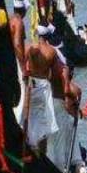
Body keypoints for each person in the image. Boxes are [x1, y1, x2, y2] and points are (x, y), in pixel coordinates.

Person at [24, 24, 62, 153]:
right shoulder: (52, 51)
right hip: (44, 85)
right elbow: (56, 73)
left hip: (31, 84)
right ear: (47, 36)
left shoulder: (31, 47)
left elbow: (23, 63)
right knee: (43, 121)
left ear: (38, 35)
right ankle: (41, 152)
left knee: (29, 115)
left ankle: (29, 146)